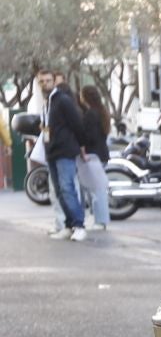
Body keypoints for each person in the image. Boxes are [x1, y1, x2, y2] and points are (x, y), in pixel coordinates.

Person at [38, 70, 88, 241]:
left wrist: (82, 146)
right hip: (51, 151)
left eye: (48, 80)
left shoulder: (63, 100)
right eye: (42, 81)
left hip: (65, 150)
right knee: (59, 191)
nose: (45, 84)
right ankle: (69, 225)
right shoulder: (47, 102)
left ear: (54, 82)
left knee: (67, 188)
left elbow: (77, 123)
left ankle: (79, 225)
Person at [78, 83, 114, 233]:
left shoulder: (90, 114)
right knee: (97, 189)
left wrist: (82, 148)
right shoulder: (102, 112)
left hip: (93, 156)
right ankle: (99, 219)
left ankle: (100, 220)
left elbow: (89, 136)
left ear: (84, 97)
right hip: (102, 154)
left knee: (96, 191)